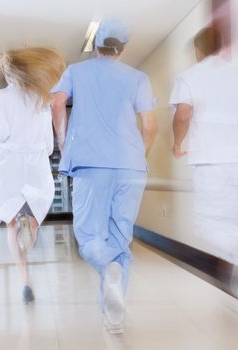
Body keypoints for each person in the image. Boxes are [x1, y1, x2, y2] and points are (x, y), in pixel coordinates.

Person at [51, 20, 157, 334]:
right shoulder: (139, 78)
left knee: (89, 237)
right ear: (122, 49)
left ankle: (106, 269)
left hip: (91, 164)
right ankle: (114, 318)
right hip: (131, 168)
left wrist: (62, 140)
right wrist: (139, 155)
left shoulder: (76, 71)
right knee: (120, 238)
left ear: (96, 45)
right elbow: (149, 126)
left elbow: (57, 103)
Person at [170, 27, 238, 272]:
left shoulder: (189, 76)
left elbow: (183, 115)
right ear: (222, 46)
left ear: (198, 51)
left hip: (212, 159)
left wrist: (178, 143)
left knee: (206, 224)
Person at [0, 47, 66, 304]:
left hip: (8, 164)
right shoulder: (41, 97)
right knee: (32, 219)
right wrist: (48, 151)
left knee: (11, 222)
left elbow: (1, 131)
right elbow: (47, 140)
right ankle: (28, 230)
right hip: (35, 165)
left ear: (10, 74)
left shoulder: (0, 97)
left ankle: (25, 279)